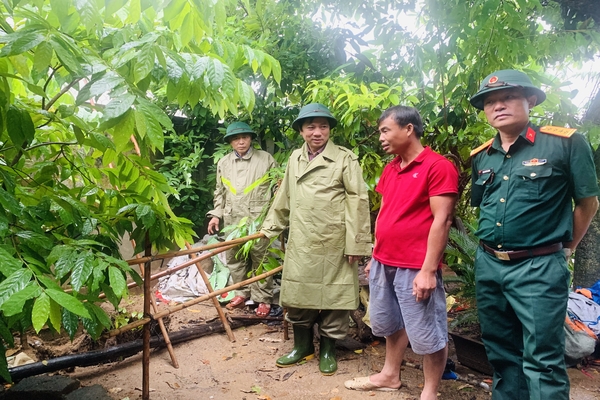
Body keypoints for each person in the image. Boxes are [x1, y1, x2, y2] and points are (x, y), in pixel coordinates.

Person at [469, 69, 599, 400]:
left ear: (529, 100)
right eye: (490, 101)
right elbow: (483, 207)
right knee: (502, 354)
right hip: (489, 265)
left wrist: (566, 248)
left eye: (508, 97)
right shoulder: (482, 155)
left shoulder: (565, 144)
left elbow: (587, 203)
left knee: (543, 360)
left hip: (538, 267)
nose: (498, 105)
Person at [344, 106, 458, 399]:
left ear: (408, 129)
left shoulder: (437, 166)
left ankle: (430, 392)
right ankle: (389, 375)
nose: (381, 137)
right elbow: (383, 213)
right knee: (389, 322)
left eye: (385, 130)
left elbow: (442, 220)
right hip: (385, 261)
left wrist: (429, 270)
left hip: (415, 265)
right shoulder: (392, 167)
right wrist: (375, 255)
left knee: (428, 332)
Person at [259, 103, 372, 376]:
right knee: (298, 295)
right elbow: (283, 197)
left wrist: (356, 244)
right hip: (301, 240)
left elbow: (358, 201)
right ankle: (303, 347)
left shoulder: (345, 159)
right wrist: (269, 229)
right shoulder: (295, 159)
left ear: (330, 130)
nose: (317, 132)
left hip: (335, 242)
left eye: (323, 126)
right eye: (311, 127)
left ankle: (328, 350)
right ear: (301, 131)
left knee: (335, 298)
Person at [207, 122, 278, 317]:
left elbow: (277, 191)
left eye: (245, 137)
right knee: (235, 258)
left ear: (251, 139)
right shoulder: (224, 163)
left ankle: (263, 298)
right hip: (232, 219)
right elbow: (219, 192)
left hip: (258, 218)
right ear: (230, 142)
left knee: (261, 258)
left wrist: (274, 219)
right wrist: (216, 215)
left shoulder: (266, 159)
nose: (241, 142)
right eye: (236, 138)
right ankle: (241, 292)